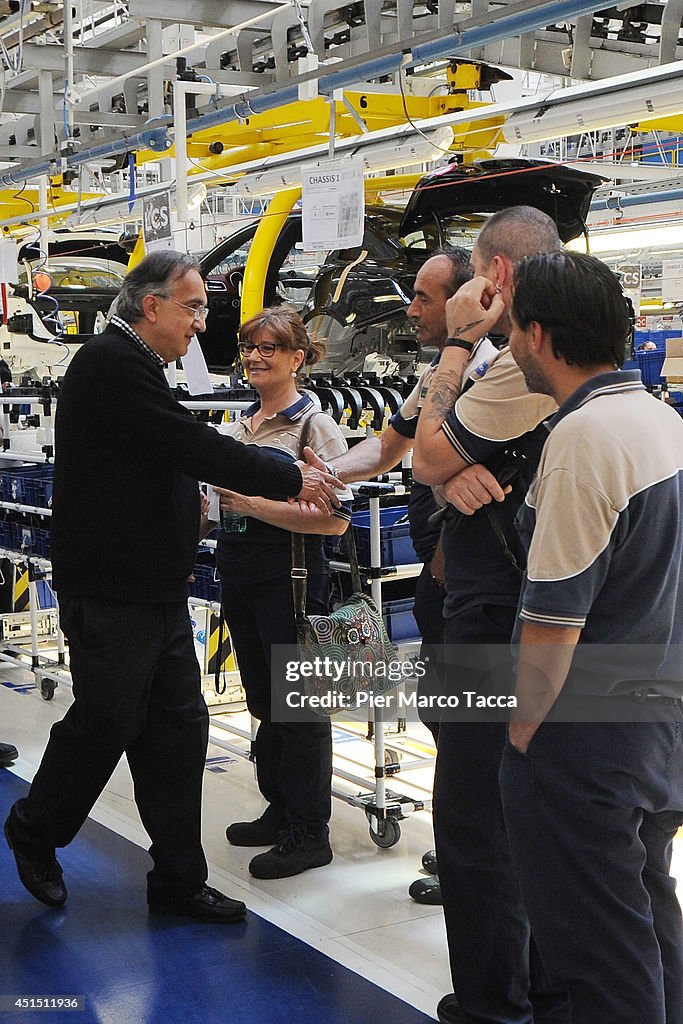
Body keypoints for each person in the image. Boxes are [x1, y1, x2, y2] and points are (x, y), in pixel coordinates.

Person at [3, 250, 341, 922]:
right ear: (150, 304)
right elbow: (186, 446)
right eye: (192, 306)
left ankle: (178, 880)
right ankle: (34, 829)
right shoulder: (109, 361)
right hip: (112, 592)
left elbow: (167, 460)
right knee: (105, 722)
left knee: (176, 734)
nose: (200, 322)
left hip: (153, 589)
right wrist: (286, 475)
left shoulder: (138, 367)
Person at [500, 250, 683, 1024]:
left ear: (536, 334)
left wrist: (519, 734)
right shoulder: (659, 418)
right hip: (655, 724)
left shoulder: (583, 441)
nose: (508, 342)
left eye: (510, 327)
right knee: (644, 921)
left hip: (585, 743)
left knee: (598, 956)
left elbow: (553, 620)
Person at [412, 207, 564, 1024]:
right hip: (505, 608)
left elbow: (429, 450)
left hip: (493, 616)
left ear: (492, 278)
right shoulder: (534, 360)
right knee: (518, 813)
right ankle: (532, 986)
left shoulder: (512, 363)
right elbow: (426, 453)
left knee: (473, 819)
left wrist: (458, 345)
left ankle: (490, 1004)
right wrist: (444, 477)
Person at [323, 246, 481, 904]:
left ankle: (478, 861)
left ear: (468, 300)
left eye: (424, 296)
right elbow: (389, 446)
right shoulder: (433, 377)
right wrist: (322, 473)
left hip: (472, 583)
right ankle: (467, 847)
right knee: (443, 717)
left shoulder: (496, 374)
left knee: (472, 723)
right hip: (439, 581)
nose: (410, 309)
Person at [214, 307, 351, 879]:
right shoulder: (239, 424)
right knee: (264, 700)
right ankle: (280, 808)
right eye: (249, 347)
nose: (255, 357)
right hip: (242, 573)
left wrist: (250, 505)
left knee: (300, 706)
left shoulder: (313, 428)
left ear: (298, 359)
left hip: (292, 578)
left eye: (269, 347)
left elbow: (334, 520)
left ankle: (309, 831)